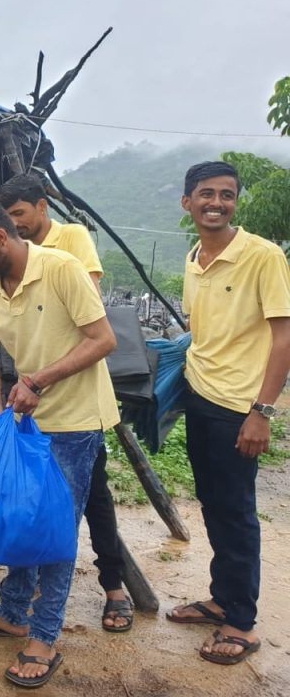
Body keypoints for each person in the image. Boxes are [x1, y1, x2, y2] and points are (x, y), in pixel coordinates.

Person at [0, 195, 118, 689]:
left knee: (55, 528)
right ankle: (13, 611)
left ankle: (44, 636)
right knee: (22, 517)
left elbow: (103, 339)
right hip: (24, 421)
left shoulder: (62, 268)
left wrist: (38, 381)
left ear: (1, 237)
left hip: (73, 423)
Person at [164, 161, 290, 666]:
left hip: (240, 407)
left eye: (227, 195)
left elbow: (283, 335)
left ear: (236, 201)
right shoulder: (195, 257)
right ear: (187, 202)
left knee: (235, 512)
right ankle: (222, 597)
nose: (217, 202)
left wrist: (262, 410)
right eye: (206, 194)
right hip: (201, 395)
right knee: (214, 503)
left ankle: (241, 622)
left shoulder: (262, 256)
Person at [0, 173, 131, 633]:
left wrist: (40, 375)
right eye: (9, 217)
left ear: (41, 207)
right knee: (59, 501)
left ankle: (113, 586)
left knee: (93, 499)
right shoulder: (3, 271)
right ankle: (25, 597)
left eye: (21, 215)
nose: (17, 225)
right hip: (38, 405)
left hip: (77, 398)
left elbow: (88, 310)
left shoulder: (69, 243)